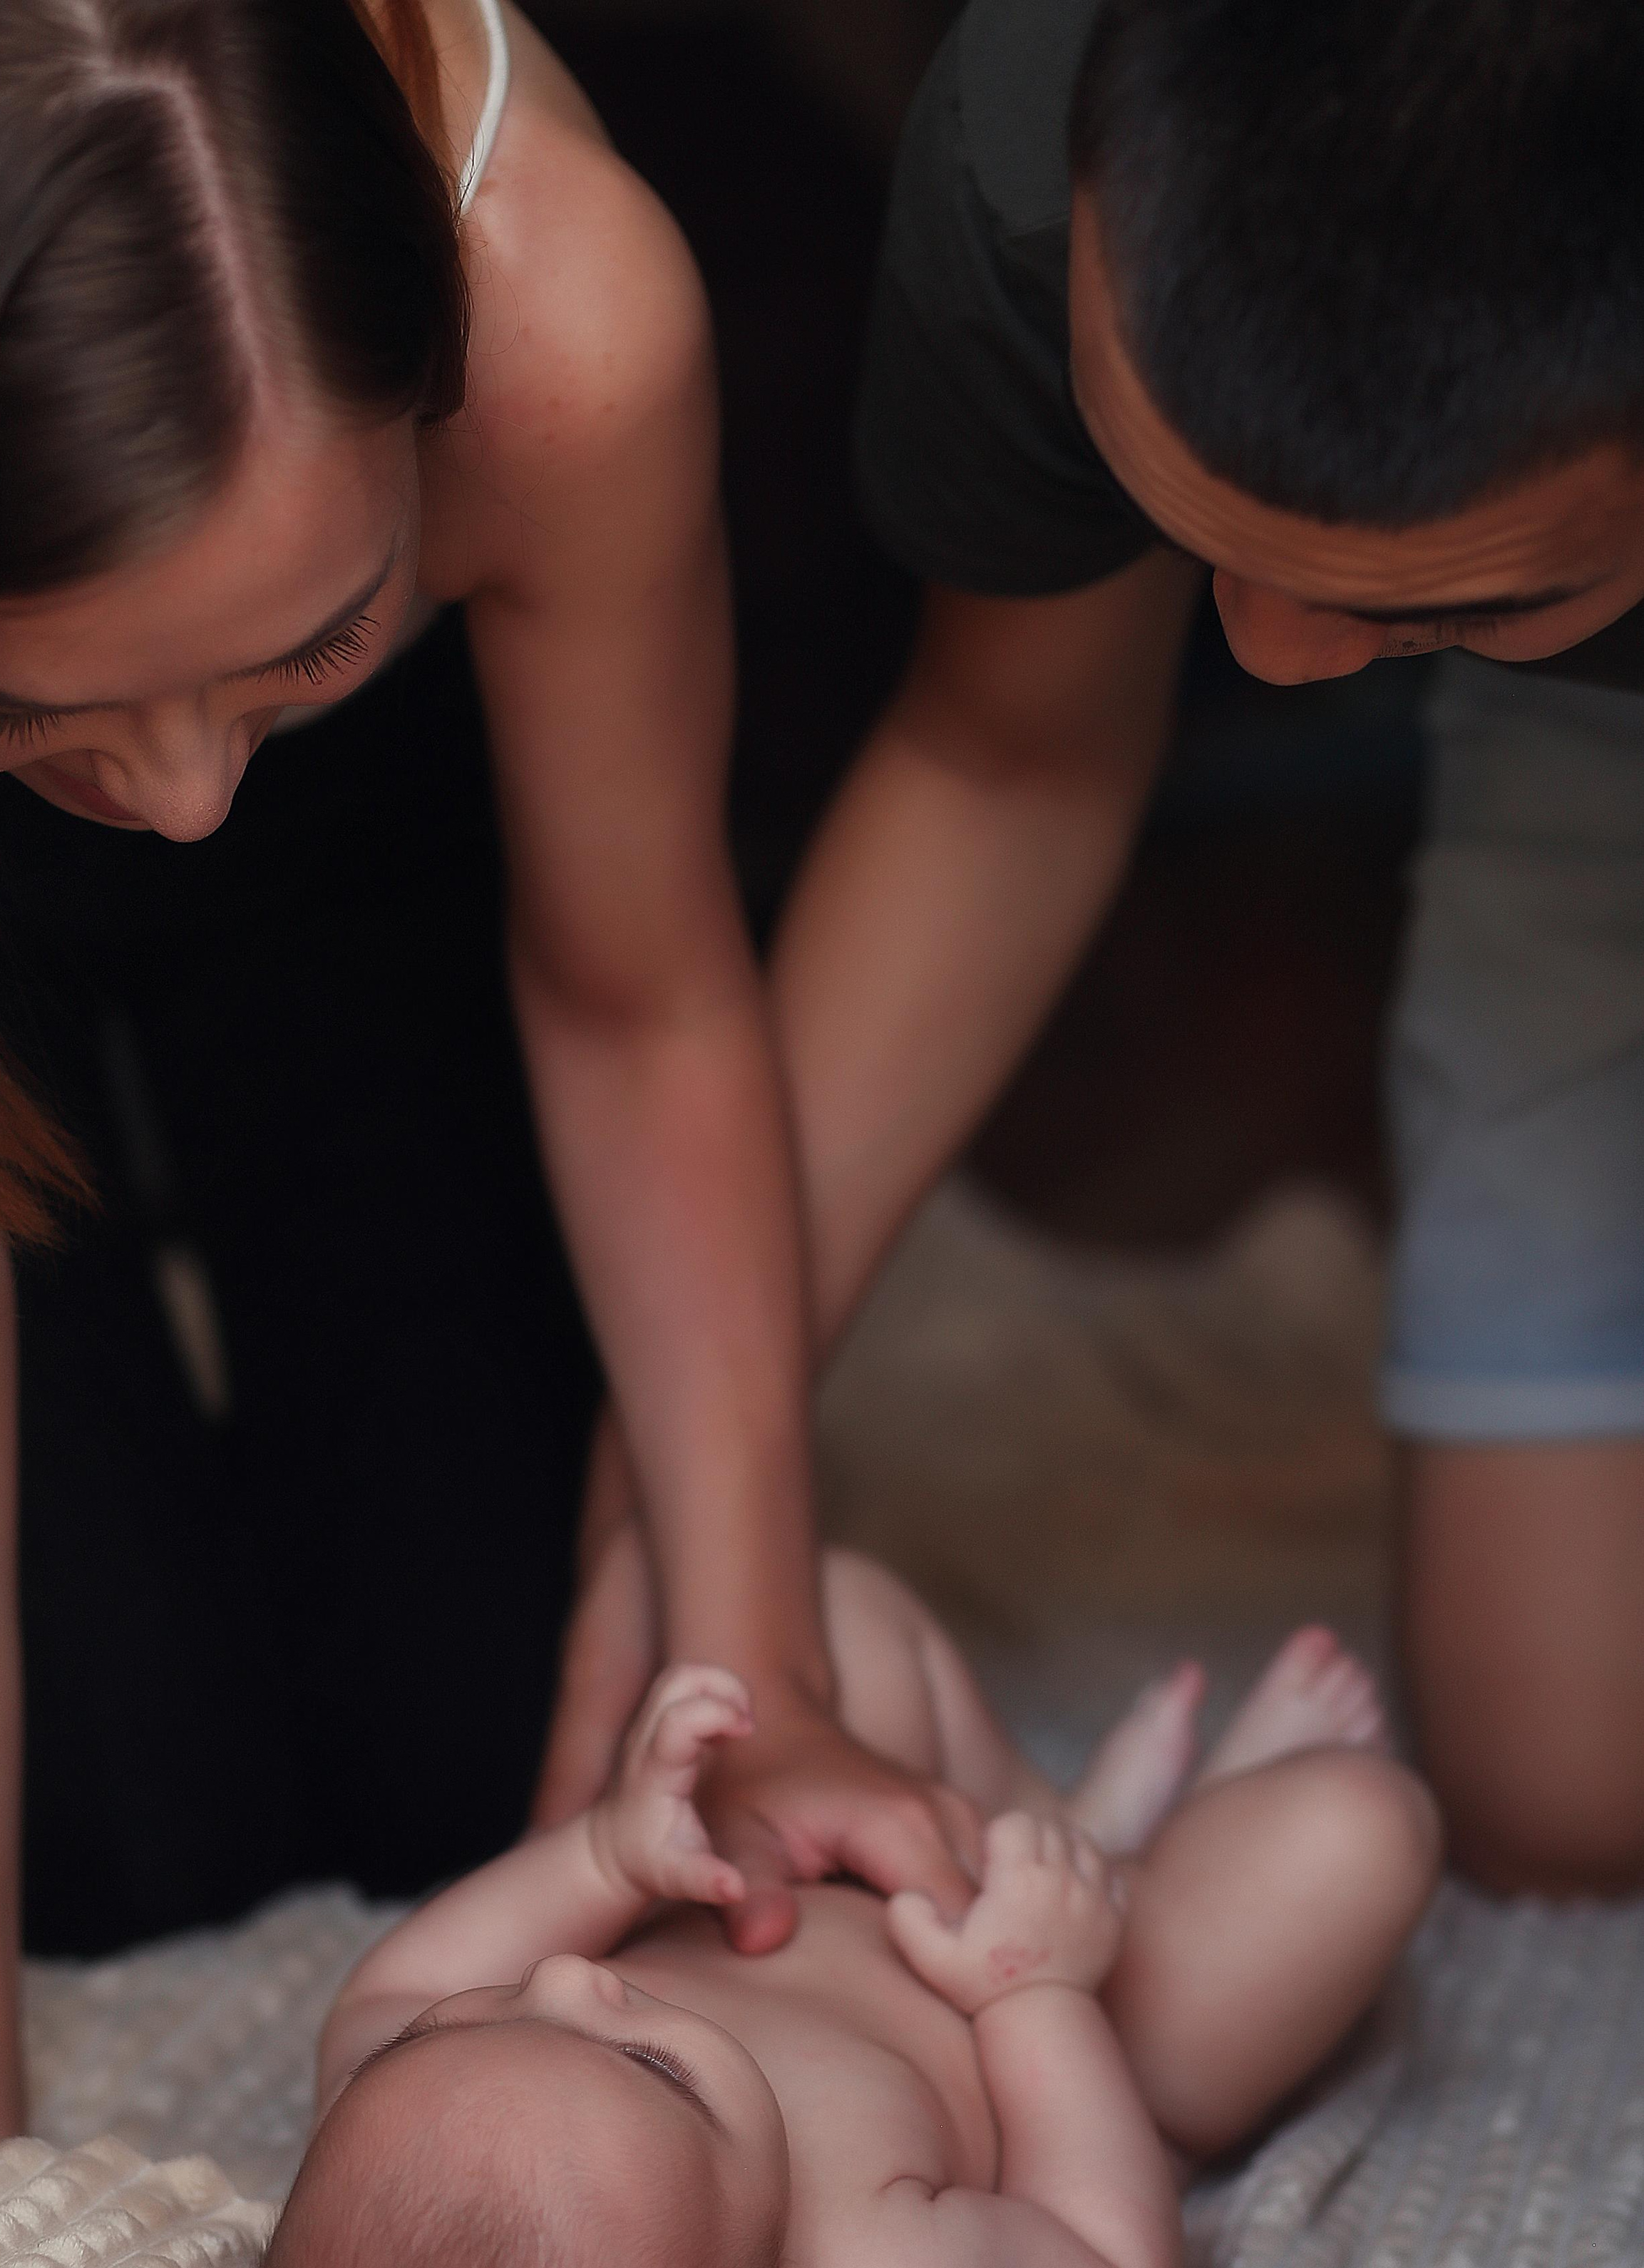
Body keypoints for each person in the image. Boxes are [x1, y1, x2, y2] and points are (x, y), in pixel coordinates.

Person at [0, 0, 974, 2149]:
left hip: (377, 832)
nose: (175, 801)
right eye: (41, 710)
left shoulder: (566, 318)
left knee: (477, 1769)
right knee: (119, 1850)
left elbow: (643, 995)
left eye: (298, 635)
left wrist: (764, 1686)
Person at [535, 0, 1644, 1899]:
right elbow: (1007, 763)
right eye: (1184, 517)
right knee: (1567, 1792)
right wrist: (688, 1523)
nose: (1270, 663)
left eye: (1452, 592)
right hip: (1574, 754)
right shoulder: (1031, 154)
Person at [242, 1553, 1438, 2268]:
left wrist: (609, 1855)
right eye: (653, 2063)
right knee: (1357, 1833)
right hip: (1076, 2005)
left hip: (824, 1846)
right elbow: (1111, 2259)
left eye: (477, 2023)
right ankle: (1120, 1863)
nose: (566, 1976)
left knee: (829, 1612)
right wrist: (1041, 1991)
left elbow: (387, 1998)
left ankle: (1049, 1813)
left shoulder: (400, 2109)